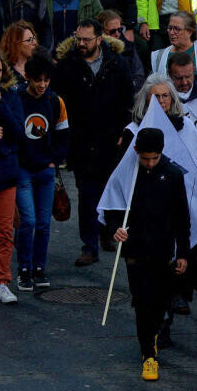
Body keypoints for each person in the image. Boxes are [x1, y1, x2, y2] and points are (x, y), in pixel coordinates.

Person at [108, 127, 191, 382]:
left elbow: (182, 217)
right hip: (136, 251)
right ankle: (148, 355)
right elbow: (112, 206)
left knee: (160, 301)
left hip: (164, 249)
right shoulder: (126, 174)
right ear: (136, 152)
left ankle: (153, 335)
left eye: (154, 158)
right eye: (145, 158)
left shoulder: (174, 174)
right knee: (143, 303)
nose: (150, 163)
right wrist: (115, 229)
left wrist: (183, 253)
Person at [54, 19, 135, 267]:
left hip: (110, 139)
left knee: (109, 190)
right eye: (78, 38)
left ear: (99, 39)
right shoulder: (68, 67)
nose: (81, 43)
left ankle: (107, 232)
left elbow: (126, 99)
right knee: (87, 194)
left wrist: (123, 130)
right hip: (81, 141)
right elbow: (60, 104)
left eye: (86, 40)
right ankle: (89, 245)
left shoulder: (116, 64)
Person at [14, 53, 66, 293]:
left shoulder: (56, 101)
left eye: (46, 80)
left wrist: (55, 161)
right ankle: (23, 268)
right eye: (38, 80)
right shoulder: (16, 100)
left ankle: (38, 268)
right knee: (28, 221)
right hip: (23, 170)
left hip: (46, 170)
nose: (42, 85)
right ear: (27, 78)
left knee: (44, 224)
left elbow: (64, 134)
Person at [0, 48, 23, 304]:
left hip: (4, 171)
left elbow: (17, 132)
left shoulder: (9, 96)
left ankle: (2, 282)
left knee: (5, 231)